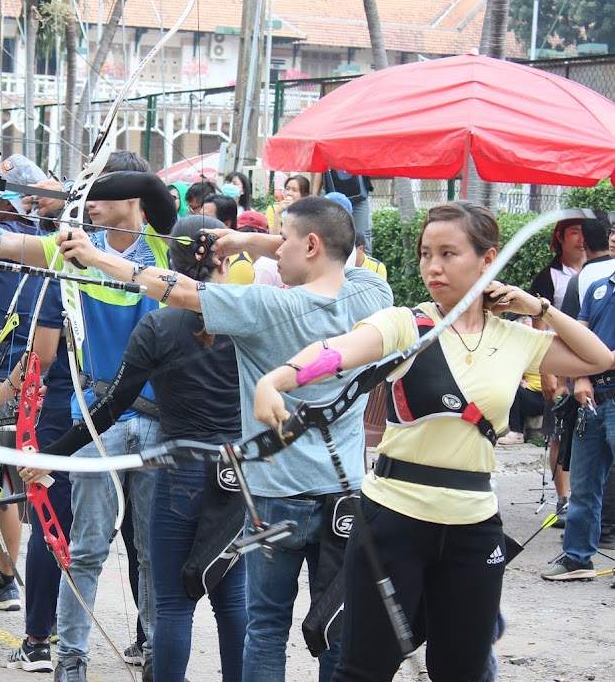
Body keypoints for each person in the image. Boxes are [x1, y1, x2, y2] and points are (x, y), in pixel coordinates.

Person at [251, 202, 609, 681]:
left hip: (473, 526)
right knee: (364, 669)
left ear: (488, 260)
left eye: (448, 253)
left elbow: (599, 358)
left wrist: (538, 307)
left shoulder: (518, 337)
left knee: (460, 670)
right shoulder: (404, 323)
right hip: (392, 519)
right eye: (425, 254)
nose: (432, 267)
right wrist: (278, 379)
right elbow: (336, 353)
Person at [55, 196, 393, 682]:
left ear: (311, 245)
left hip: (276, 497)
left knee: (265, 625)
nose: (275, 252)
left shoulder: (265, 306)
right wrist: (248, 240)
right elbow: (329, 250)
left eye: (285, 239)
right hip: (342, 494)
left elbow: (172, 289)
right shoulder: (372, 293)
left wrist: (95, 256)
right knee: (334, 624)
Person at [0, 150, 178, 681]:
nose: (86, 206)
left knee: (151, 551)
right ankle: (69, 660)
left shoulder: (170, 251)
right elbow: (11, 243)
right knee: (85, 546)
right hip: (96, 418)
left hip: (155, 419)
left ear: (131, 197)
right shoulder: (76, 249)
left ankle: (155, 655)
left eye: (98, 194)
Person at [23, 215, 247, 682]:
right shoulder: (252, 316)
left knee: (171, 600)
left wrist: (53, 453)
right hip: (235, 473)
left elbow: (108, 408)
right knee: (231, 598)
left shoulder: (161, 327)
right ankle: (76, 658)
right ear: (222, 259)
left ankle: (113, 664)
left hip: (179, 472)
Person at [542, 263, 615, 581]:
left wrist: (594, 368)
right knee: (584, 485)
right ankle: (577, 558)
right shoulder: (598, 287)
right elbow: (578, 339)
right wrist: (582, 375)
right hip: (593, 399)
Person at [531, 218, 587, 527]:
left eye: (583, 233)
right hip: (558, 362)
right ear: (560, 238)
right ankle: (563, 498)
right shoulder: (548, 277)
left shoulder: (599, 271)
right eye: (573, 233)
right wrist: (547, 372)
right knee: (558, 432)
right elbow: (538, 327)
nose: (579, 240)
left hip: (592, 364)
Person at [322, 169, 374, 251]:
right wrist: (315, 195)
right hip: (335, 198)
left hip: (359, 197)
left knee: (362, 236)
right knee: (334, 235)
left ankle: (364, 261)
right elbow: (320, 169)